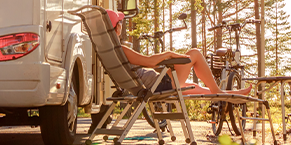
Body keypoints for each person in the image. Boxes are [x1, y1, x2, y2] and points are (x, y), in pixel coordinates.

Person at [106, 10, 252, 96]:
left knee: (195, 87)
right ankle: (219, 92)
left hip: (153, 85)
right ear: (116, 28)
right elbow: (149, 61)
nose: (121, 26)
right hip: (159, 85)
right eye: (120, 24)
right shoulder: (121, 49)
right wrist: (169, 54)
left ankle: (226, 93)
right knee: (194, 53)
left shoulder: (111, 51)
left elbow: (147, 62)